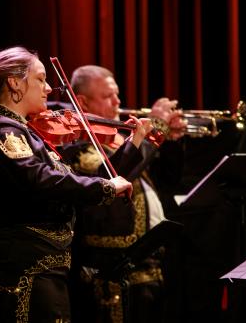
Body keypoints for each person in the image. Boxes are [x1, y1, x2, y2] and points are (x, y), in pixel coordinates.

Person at [0, 46, 149, 323]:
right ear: (14, 83)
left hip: (47, 266)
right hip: (26, 267)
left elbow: (68, 181)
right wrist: (105, 188)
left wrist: (118, 164)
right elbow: (40, 178)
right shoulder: (2, 129)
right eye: (41, 79)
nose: (50, 89)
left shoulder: (27, 132)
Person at [60, 65, 186, 323]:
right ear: (82, 101)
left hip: (150, 263)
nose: (118, 101)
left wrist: (170, 140)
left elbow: (169, 181)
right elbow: (112, 173)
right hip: (110, 269)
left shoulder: (120, 138)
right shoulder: (76, 146)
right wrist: (153, 131)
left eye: (117, 94)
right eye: (108, 96)